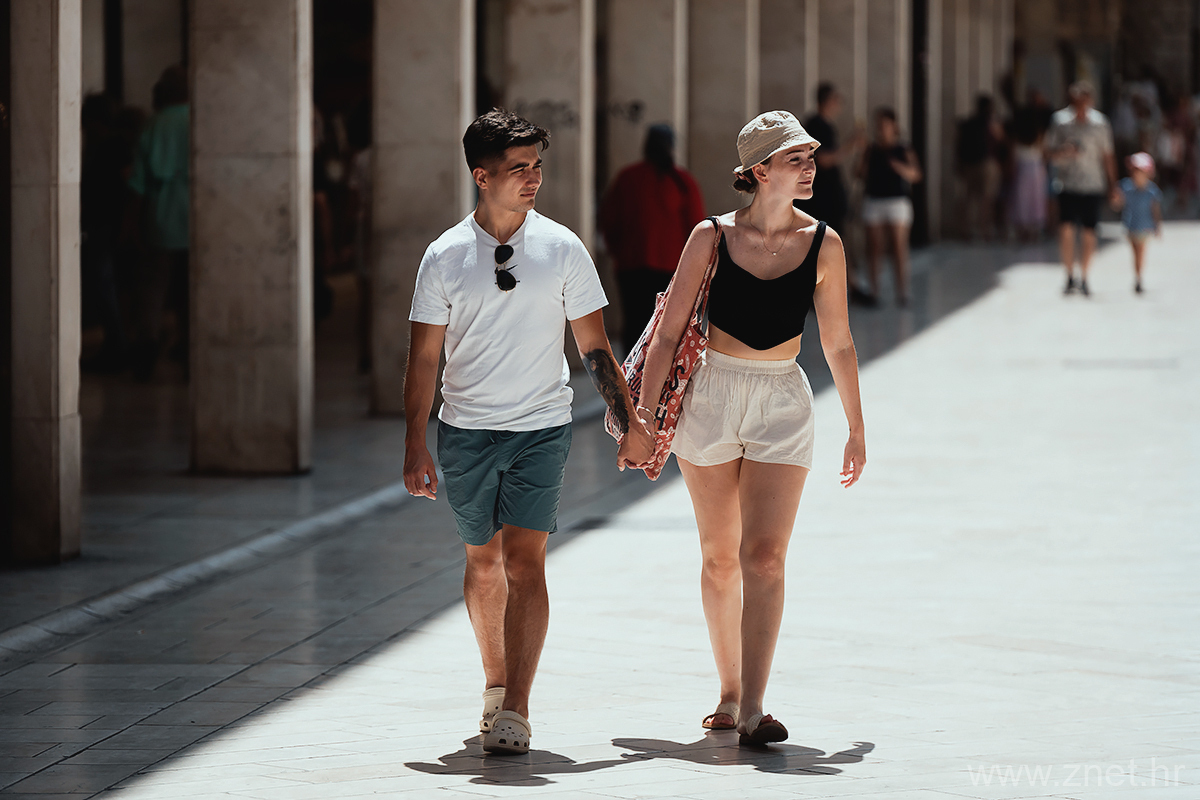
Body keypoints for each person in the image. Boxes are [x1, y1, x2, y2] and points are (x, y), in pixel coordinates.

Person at [402, 109, 654, 755]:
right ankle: (495, 685)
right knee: (484, 564)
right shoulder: (444, 256)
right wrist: (414, 442)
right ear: (481, 176)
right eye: (519, 168)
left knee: (524, 561)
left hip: (541, 428)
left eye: (537, 165)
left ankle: (516, 706)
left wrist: (629, 422)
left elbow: (594, 346)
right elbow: (424, 357)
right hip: (465, 431)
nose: (533, 178)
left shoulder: (563, 248)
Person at [637, 111, 866, 747]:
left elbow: (839, 341)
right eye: (796, 158)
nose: (810, 167)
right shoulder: (710, 237)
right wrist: (644, 420)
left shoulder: (825, 244)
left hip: (782, 400)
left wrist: (856, 427)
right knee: (719, 559)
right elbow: (667, 333)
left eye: (811, 157)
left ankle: (755, 708)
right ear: (760, 171)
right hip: (711, 395)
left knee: (763, 557)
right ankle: (730, 690)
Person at [599, 124, 706, 352]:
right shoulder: (680, 181)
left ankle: (633, 370)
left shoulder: (631, 178)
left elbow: (608, 220)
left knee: (636, 323)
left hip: (636, 266)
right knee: (662, 326)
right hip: (664, 267)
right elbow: (698, 229)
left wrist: (618, 252)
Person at [127, 65, 190, 380]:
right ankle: (189, 348)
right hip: (195, 222)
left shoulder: (152, 125)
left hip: (159, 221)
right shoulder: (201, 120)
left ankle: (146, 350)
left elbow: (137, 185)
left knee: (152, 291)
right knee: (190, 290)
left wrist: (132, 226)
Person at [794, 83, 870, 304]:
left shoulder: (825, 125)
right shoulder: (816, 125)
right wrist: (850, 146)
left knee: (831, 241)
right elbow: (824, 160)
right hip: (820, 197)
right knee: (823, 242)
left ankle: (848, 286)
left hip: (827, 195)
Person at [1045, 80, 1117, 297]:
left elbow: (1108, 156)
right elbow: (1048, 152)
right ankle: (1069, 274)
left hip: (1093, 184)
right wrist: (1064, 152)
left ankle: (1084, 276)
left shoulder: (1100, 123)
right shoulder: (1060, 121)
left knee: (1089, 231)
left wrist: (1113, 186)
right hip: (1067, 183)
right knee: (1066, 230)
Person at [858, 108, 922, 305]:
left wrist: (898, 167)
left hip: (897, 200)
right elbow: (859, 173)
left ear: (893, 126)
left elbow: (916, 174)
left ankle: (903, 291)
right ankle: (874, 290)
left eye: (885, 125)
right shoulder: (871, 149)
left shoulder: (903, 148)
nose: (882, 129)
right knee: (874, 247)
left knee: (899, 246)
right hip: (874, 199)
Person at [1112, 152, 1162, 294]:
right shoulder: (1126, 187)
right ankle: (1137, 275)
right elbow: (1117, 204)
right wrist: (1115, 198)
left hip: (1144, 226)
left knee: (1140, 251)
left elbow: (1155, 210)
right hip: (1130, 225)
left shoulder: (1152, 191)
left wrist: (1157, 227)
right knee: (1135, 252)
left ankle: (1139, 278)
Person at [956, 95, 1005, 240]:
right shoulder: (991, 123)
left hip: (969, 163)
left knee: (969, 197)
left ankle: (966, 230)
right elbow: (1001, 140)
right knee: (986, 199)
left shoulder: (967, 124)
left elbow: (959, 145)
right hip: (986, 163)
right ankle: (984, 230)